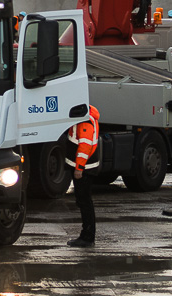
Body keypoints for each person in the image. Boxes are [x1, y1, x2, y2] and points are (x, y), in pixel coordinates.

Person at [67, 103, 102, 247]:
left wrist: (79, 168)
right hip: (85, 167)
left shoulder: (85, 121)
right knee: (84, 202)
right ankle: (86, 235)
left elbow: (85, 146)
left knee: (85, 202)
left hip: (85, 168)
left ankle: (87, 237)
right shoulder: (85, 118)